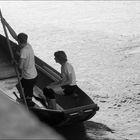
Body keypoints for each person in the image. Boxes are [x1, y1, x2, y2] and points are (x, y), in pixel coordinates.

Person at [1, 18, 38, 107]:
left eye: (18, 41)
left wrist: (14, 62)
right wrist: (6, 24)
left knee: (28, 97)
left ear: (19, 41)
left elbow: (20, 67)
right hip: (32, 75)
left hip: (29, 77)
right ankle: (23, 99)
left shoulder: (23, 51)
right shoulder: (27, 44)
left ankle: (28, 105)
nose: (17, 41)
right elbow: (14, 35)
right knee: (19, 87)